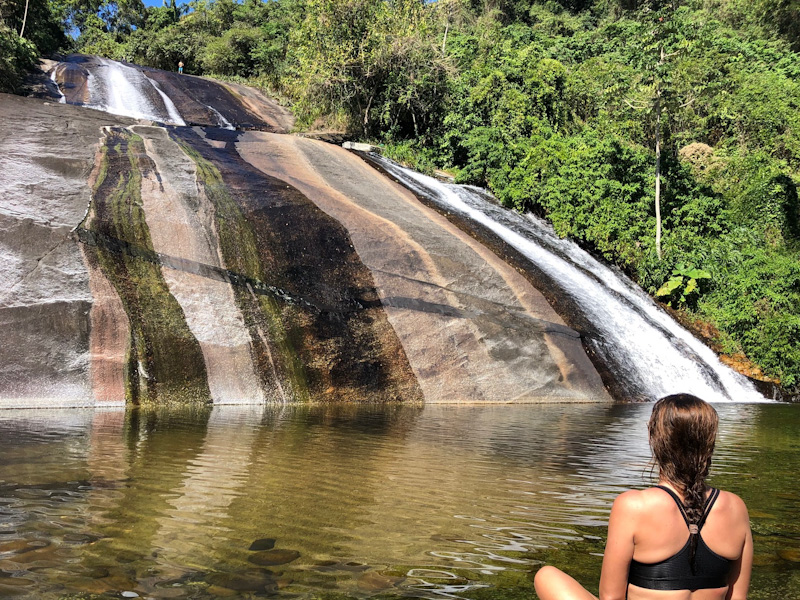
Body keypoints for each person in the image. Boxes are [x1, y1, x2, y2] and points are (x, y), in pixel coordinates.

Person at [534, 394, 753, 600]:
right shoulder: (735, 507)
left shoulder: (634, 506)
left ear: (653, 437)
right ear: (709, 443)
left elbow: (611, 597)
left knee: (546, 575)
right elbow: (737, 597)